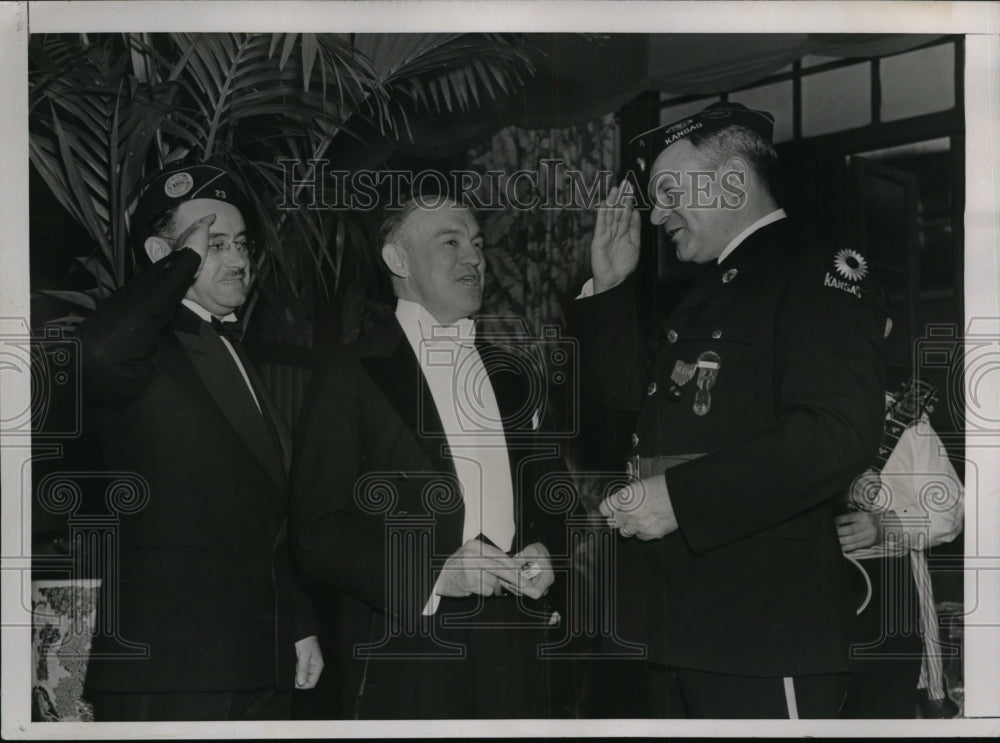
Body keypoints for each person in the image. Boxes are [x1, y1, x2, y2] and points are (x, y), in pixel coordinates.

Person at [571, 101, 887, 718]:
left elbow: (834, 432)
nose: (657, 213)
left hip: (759, 634)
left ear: (734, 181)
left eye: (668, 191)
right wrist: (609, 290)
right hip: (671, 625)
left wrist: (680, 500)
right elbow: (621, 426)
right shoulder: (711, 292)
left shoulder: (817, 270)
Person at [290, 196, 568, 719]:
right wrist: (435, 574)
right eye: (451, 242)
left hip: (514, 644)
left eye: (478, 244)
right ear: (398, 262)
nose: (475, 258)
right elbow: (317, 530)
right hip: (407, 646)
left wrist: (547, 550)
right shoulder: (349, 374)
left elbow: (551, 498)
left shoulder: (513, 376)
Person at [80, 162, 322, 721]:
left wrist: (297, 623)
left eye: (240, 243)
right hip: (171, 669)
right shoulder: (141, 353)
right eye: (213, 245)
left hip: (258, 662)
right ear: (163, 257)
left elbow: (265, 515)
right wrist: (181, 262)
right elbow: (96, 354)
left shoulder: (232, 350)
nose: (238, 259)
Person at [837, 365, 964, 718]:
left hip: (888, 590)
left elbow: (950, 509)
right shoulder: (788, 416)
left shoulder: (907, 424)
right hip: (807, 590)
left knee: (883, 712)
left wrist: (886, 524)